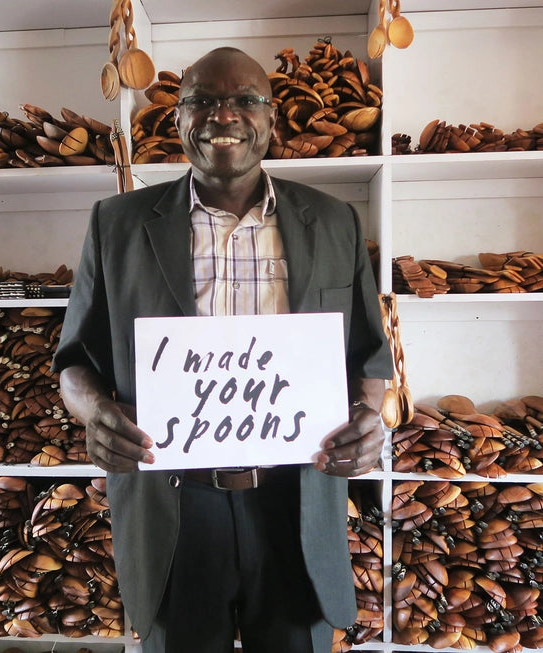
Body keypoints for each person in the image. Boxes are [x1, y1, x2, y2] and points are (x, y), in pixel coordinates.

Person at [53, 46, 393, 653]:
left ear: (272, 118)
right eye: (202, 101)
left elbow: (367, 356)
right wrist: (94, 413)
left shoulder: (334, 220)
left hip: (298, 499)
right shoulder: (118, 223)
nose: (223, 115)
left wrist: (371, 419)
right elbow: (74, 360)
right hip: (171, 505)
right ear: (177, 117)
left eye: (244, 100)